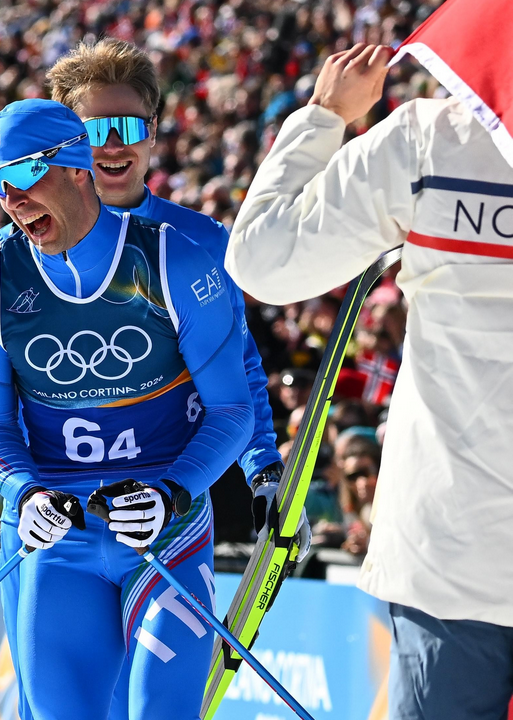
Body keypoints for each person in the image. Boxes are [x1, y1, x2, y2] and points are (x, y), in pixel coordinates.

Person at [0, 38, 309, 718]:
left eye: (127, 127)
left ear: (153, 134)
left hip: (161, 502)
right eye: (96, 128)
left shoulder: (189, 248)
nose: (113, 145)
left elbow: (240, 374)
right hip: (54, 513)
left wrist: (265, 470)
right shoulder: (6, 260)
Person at [224, 41, 513, 720]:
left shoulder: (431, 141)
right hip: (448, 563)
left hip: (450, 562)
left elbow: (263, 261)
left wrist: (326, 115)